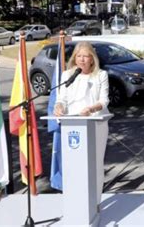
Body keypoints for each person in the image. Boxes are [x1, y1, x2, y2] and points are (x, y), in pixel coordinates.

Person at [53, 41, 110, 209]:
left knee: (95, 164)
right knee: (74, 167)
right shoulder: (67, 75)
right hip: (73, 125)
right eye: (79, 56)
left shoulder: (101, 75)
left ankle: (96, 203)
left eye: (86, 56)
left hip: (95, 123)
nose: (82, 60)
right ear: (74, 58)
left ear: (92, 59)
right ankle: (75, 203)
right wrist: (58, 106)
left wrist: (91, 109)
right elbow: (61, 98)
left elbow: (104, 100)